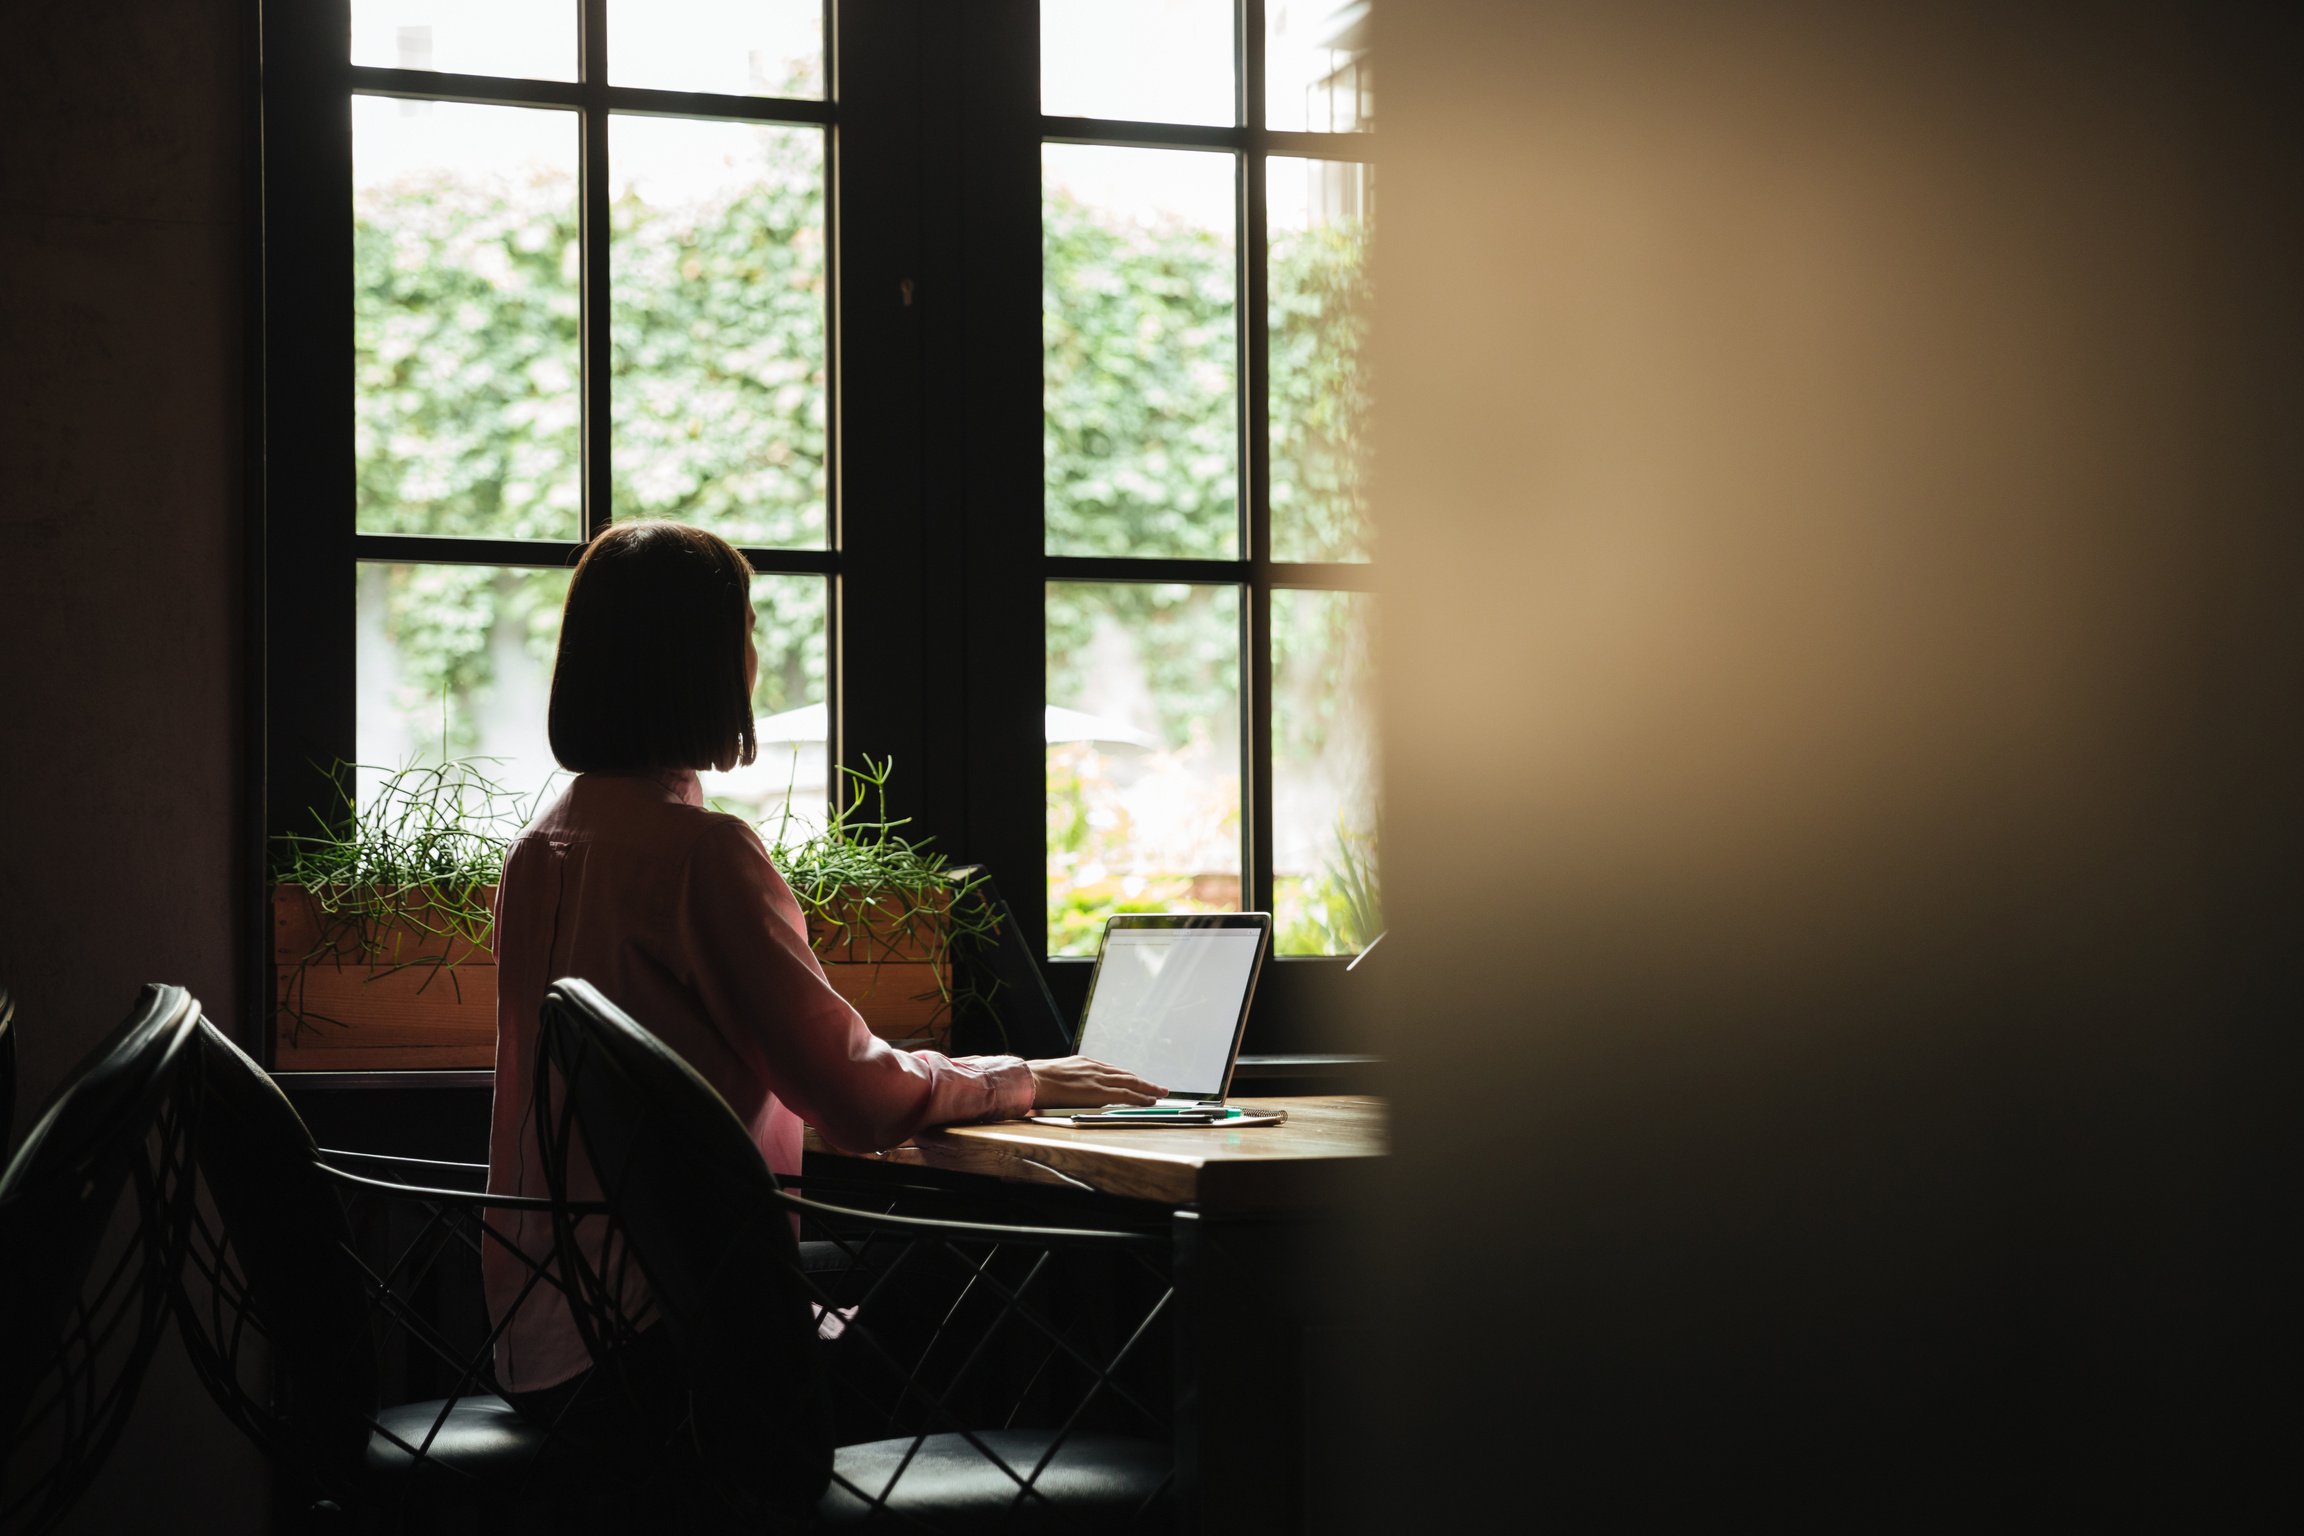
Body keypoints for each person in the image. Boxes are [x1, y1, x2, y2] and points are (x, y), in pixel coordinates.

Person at [484, 520, 1162, 1394]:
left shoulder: (539, 850)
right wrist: (1019, 1078)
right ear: (707, 659)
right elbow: (856, 1102)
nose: (755, 655)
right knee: (1045, 1268)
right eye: (749, 630)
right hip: (681, 1356)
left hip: (554, 1335)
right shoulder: (702, 856)